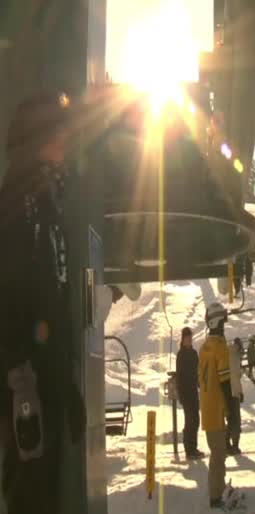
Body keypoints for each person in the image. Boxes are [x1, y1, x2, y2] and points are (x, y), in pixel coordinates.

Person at [0, 92, 87, 514]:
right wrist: (22, 384)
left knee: (47, 494)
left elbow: (55, 299)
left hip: (46, 382)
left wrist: (66, 383)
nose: (66, 140)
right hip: (27, 387)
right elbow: (11, 294)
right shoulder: (19, 202)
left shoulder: (50, 206)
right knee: (29, 496)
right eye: (59, 131)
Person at [199, 302, 232, 509]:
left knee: (217, 453)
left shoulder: (204, 347)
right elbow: (225, 382)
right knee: (218, 456)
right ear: (217, 322)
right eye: (223, 323)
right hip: (217, 409)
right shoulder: (219, 348)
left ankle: (217, 492)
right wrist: (232, 410)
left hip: (208, 409)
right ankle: (215, 496)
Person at [176, 327, 204, 460]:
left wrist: (200, 384)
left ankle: (194, 447)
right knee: (190, 420)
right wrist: (181, 394)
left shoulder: (194, 353)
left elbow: (197, 372)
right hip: (185, 393)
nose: (189, 340)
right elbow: (180, 376)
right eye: (186, 338)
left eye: (190, 337)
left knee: (196, 420)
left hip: (193, 391)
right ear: (183, 339)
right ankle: (189, 449)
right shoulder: (181, 355)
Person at [226, 338, 244, 455]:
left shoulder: (229, 352)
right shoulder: (235, 356)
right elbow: (236, 377)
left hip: (226, 391)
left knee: (230, 418)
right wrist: (240, 392)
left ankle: (227, 444)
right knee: (235, 420)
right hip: (233, 392)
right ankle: (234, 445)